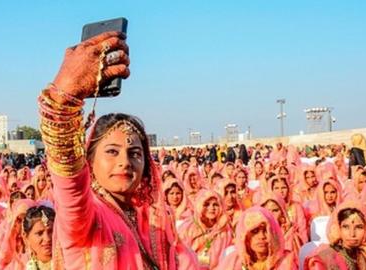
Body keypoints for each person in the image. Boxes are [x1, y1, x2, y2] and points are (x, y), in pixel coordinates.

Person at [39, 31, 197, 269]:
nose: (125, 161)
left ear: (146, 166)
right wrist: (65, 97)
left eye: (135, 153)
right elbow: (69, 183)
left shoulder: (156, 222)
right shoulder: (85, 217)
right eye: (112, 151)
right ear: (89, 162)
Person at [216, 206, 296, 270]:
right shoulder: (233, 262)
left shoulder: (285, 261)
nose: (262, 236)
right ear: (245, 236)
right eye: (255, 231)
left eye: (266, 231)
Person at [304, 200, 366, 269]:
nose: (352, 234)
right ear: (338, 228)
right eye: (346, 227)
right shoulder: (324, 259)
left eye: (359, 227)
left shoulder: (364, 254)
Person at [178, 190, 232, 269]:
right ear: (199, 206)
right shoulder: (188, 228)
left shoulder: (224, 229)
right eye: (206, 205)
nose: (211, 208)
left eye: (215, 205)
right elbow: (181, 255)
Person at [0, 199, 36, 270]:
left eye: (26, 221)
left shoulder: (41, 242)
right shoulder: (11, 240)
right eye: (19, 220)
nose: (22, 225)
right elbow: (1, 265)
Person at [22, 205, 56, 270]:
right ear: (26, 238)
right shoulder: (20, 265)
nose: (47, 239)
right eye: (39, 233)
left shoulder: (71, 264)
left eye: (51, 231)